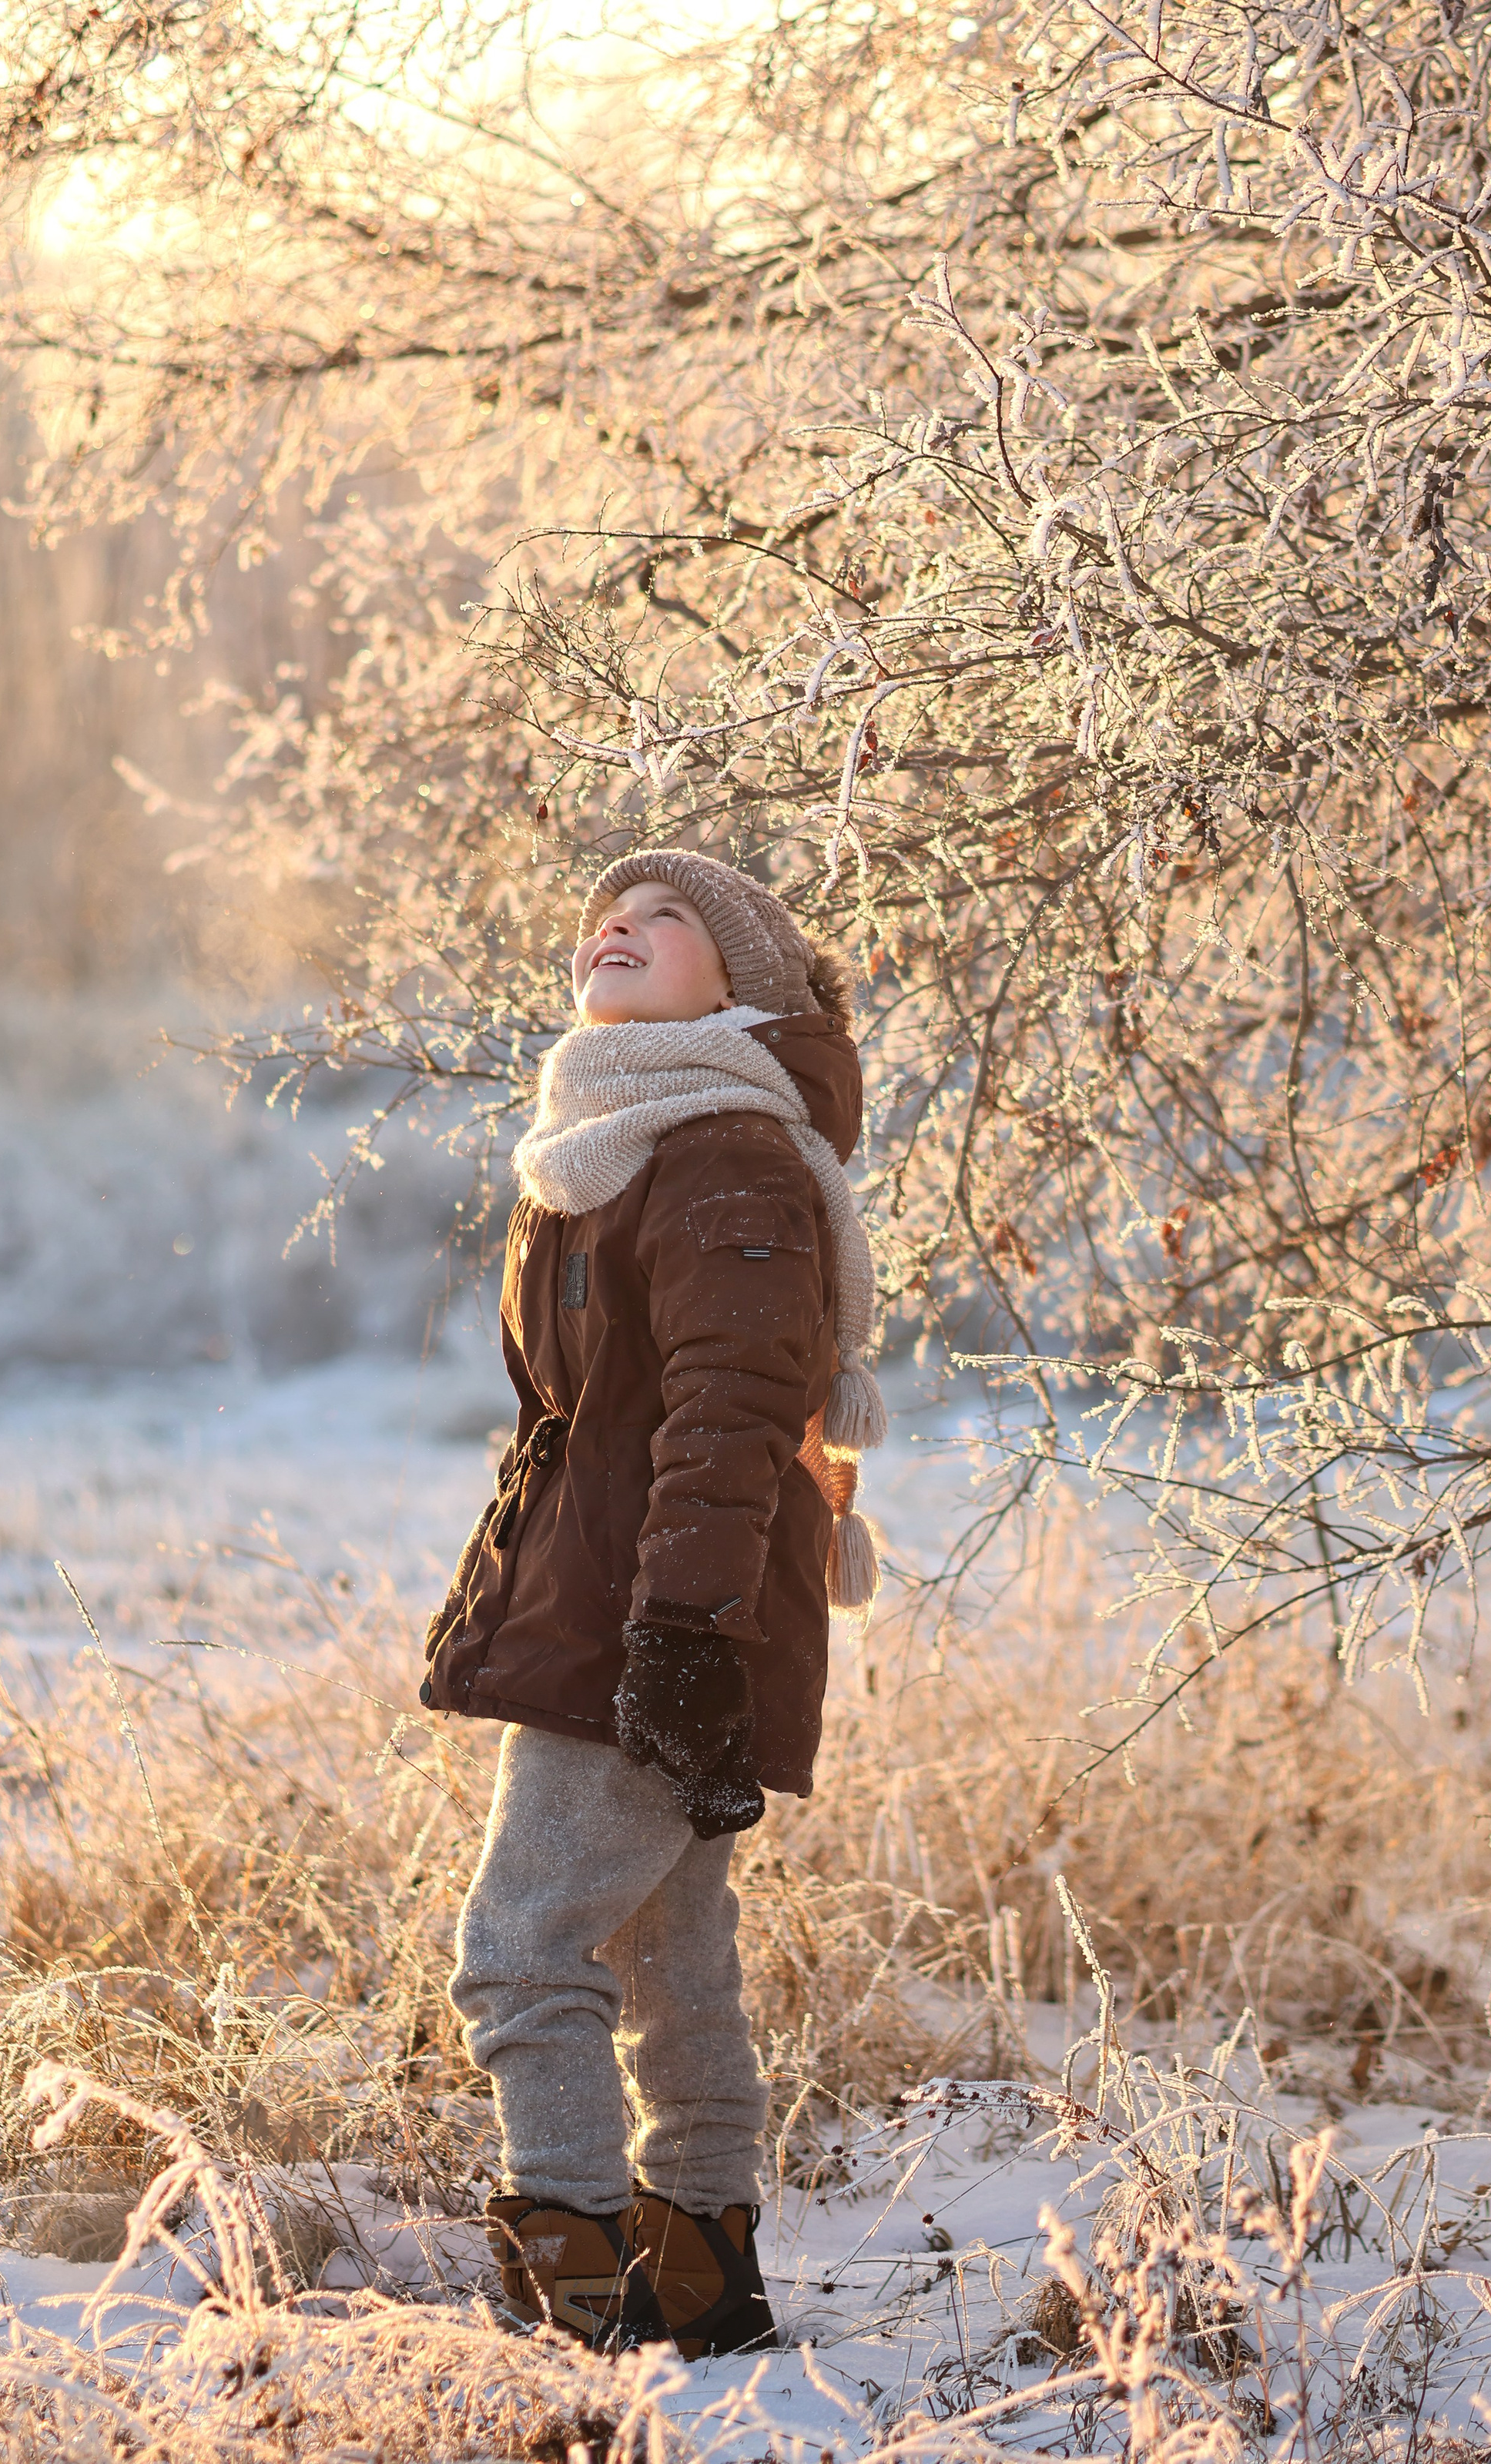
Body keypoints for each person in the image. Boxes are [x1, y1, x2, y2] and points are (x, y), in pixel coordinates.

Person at [420, 851, 884, 2359]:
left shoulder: (723, 1155)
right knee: (666, 1956)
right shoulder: (622, 1139)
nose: (615, 922)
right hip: (626, 1605)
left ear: (743, 980)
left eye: (667, 912)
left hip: (651, 1619)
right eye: (604, 911)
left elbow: (734, 1407)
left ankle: (573, 2287)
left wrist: (682, 1638)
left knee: (520, 1951)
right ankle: (700, 2276)